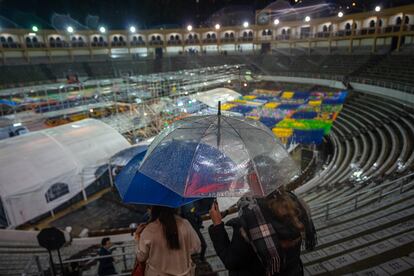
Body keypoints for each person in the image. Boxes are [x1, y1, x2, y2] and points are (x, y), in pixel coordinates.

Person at [208, 188, 317, 276]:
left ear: (253, 179)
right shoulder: (295, 205)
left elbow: (230, 261)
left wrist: (217, 225)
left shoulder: (250, 222)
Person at [135, 206, 202, 276]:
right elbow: (197, 247)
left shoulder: (149, 229)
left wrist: (137, 236)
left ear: (154, 210)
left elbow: (141, 257)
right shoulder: (185, 224)